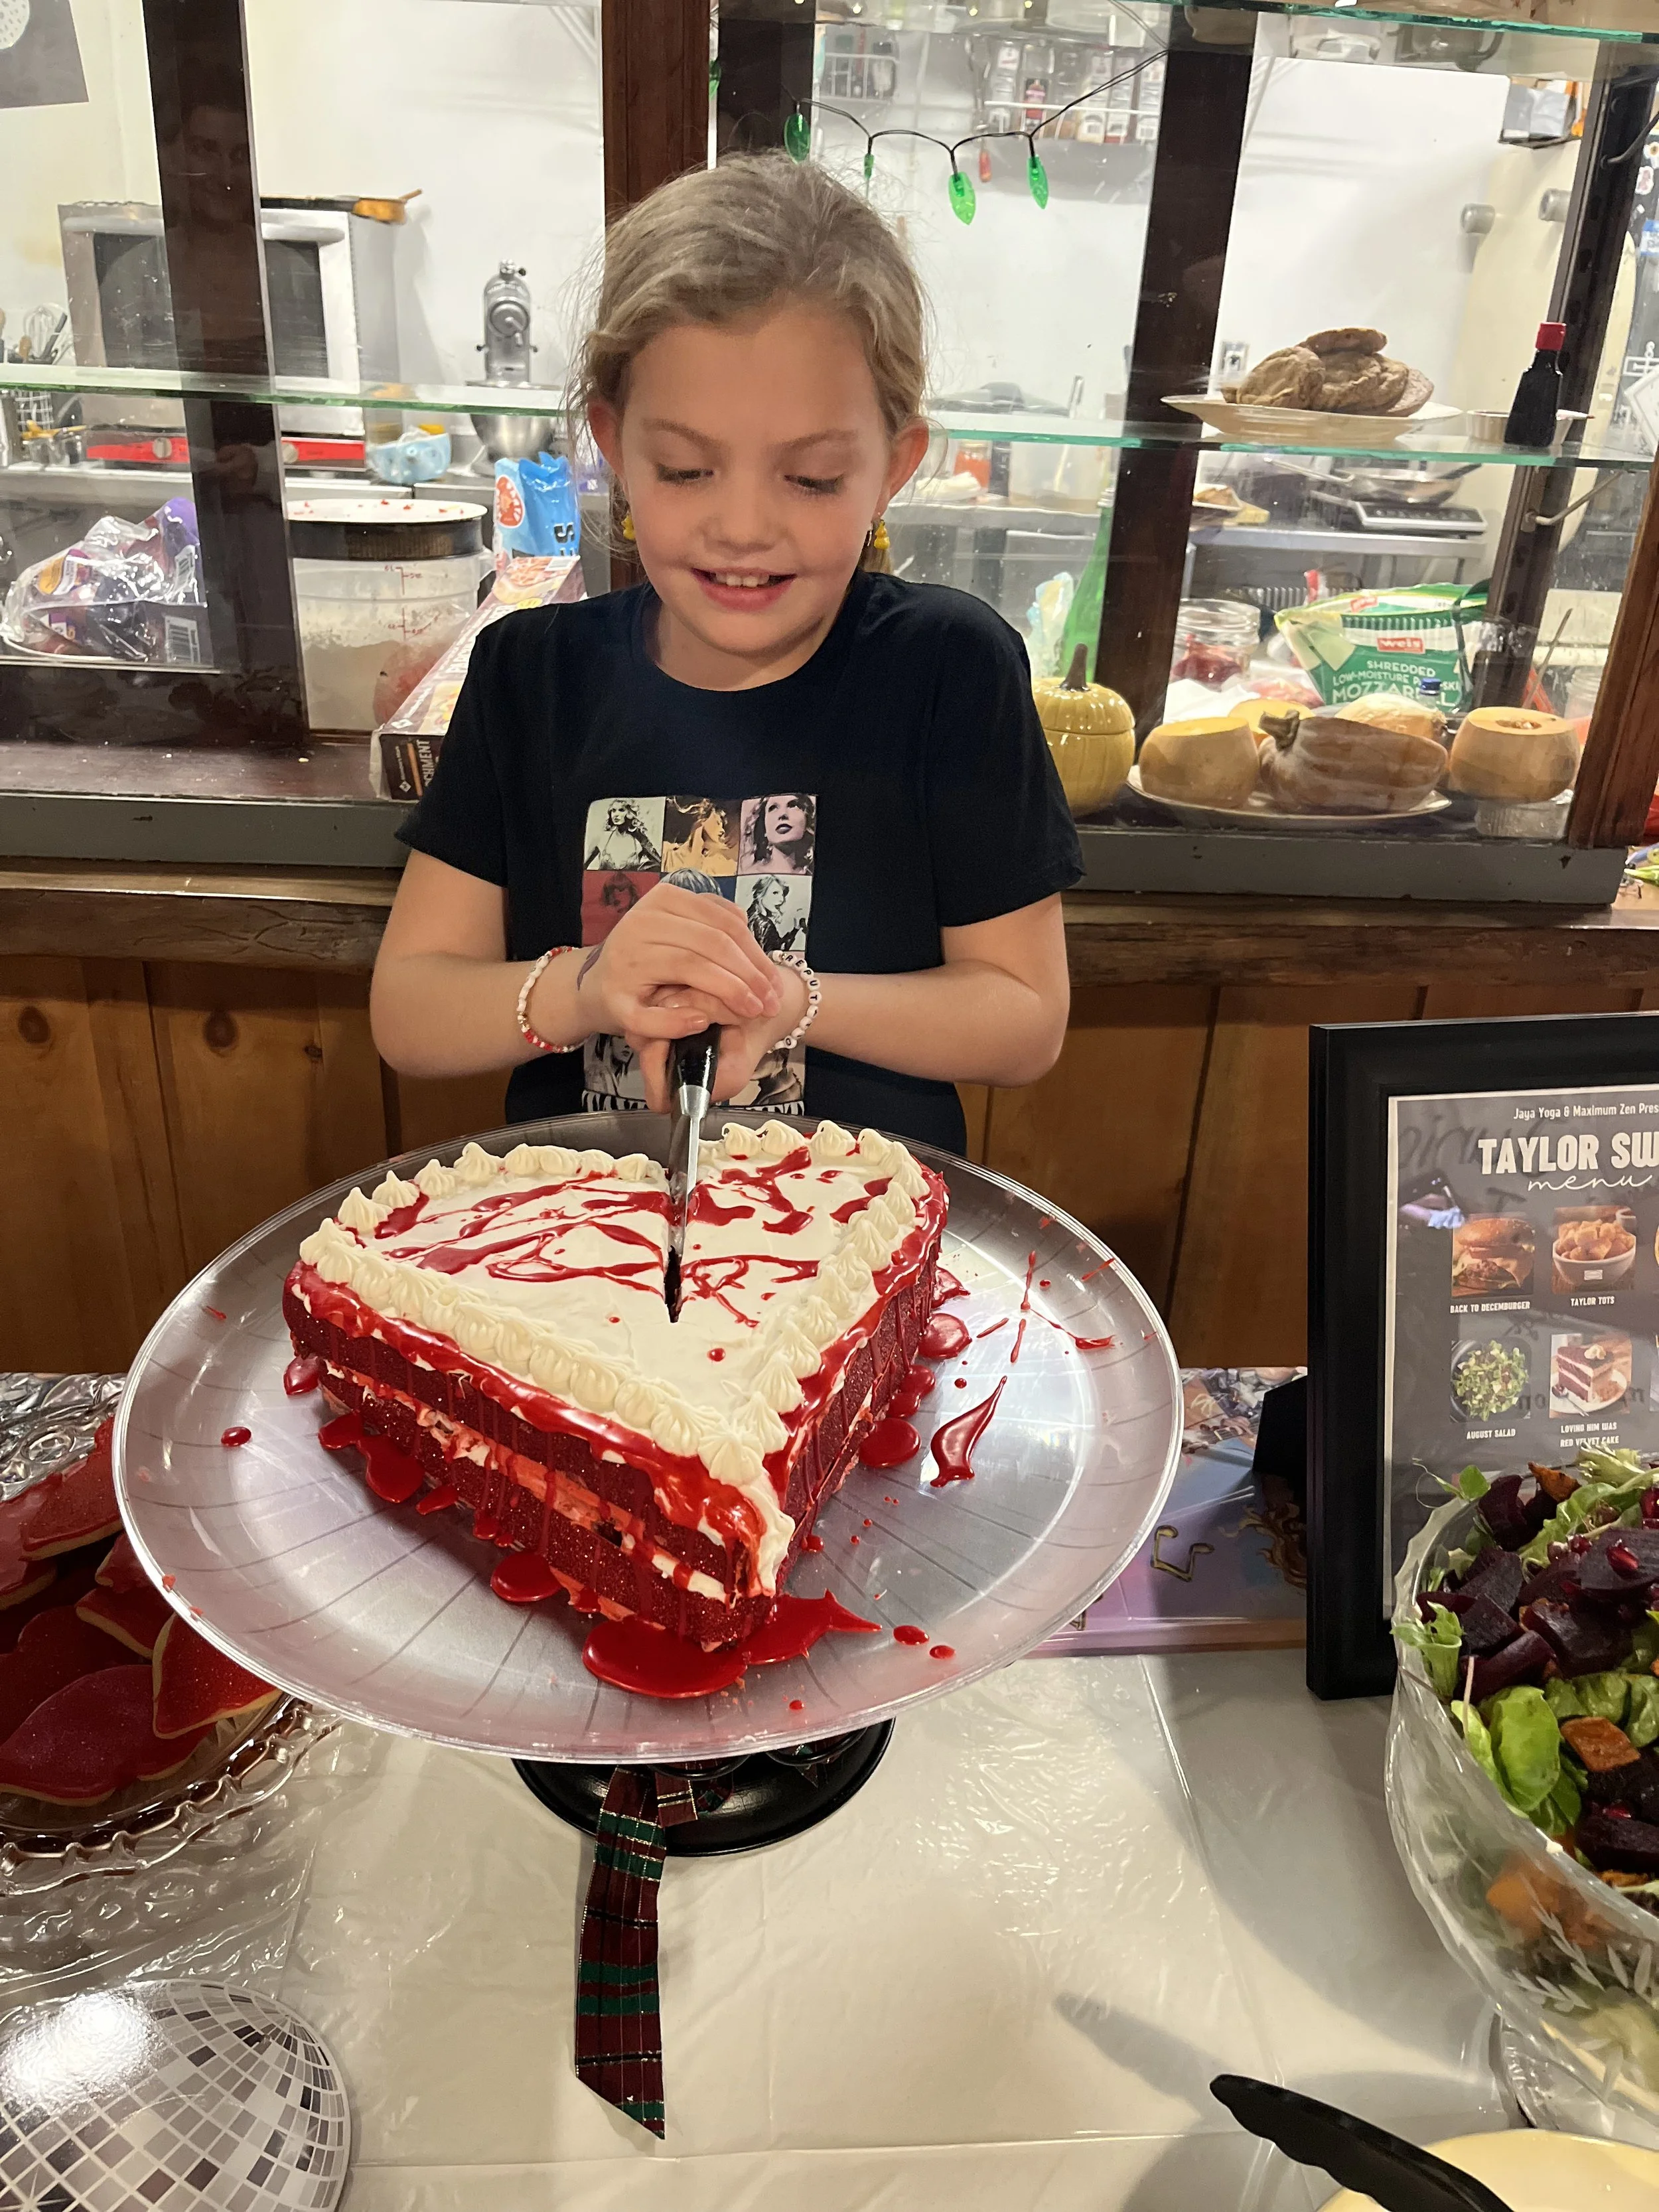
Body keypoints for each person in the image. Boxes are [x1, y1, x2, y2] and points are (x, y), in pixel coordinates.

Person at [371, 154, 1080, 1153]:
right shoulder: (530, 677)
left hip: (862, 1241)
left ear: (895, 468)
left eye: (814, 478)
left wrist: (791, 999)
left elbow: (1024, 1019)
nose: (743, 527)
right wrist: (588, 985)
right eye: (688, 469)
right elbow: (410, 1011)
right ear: (614, 448)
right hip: (575, 1244)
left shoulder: (947, 671)